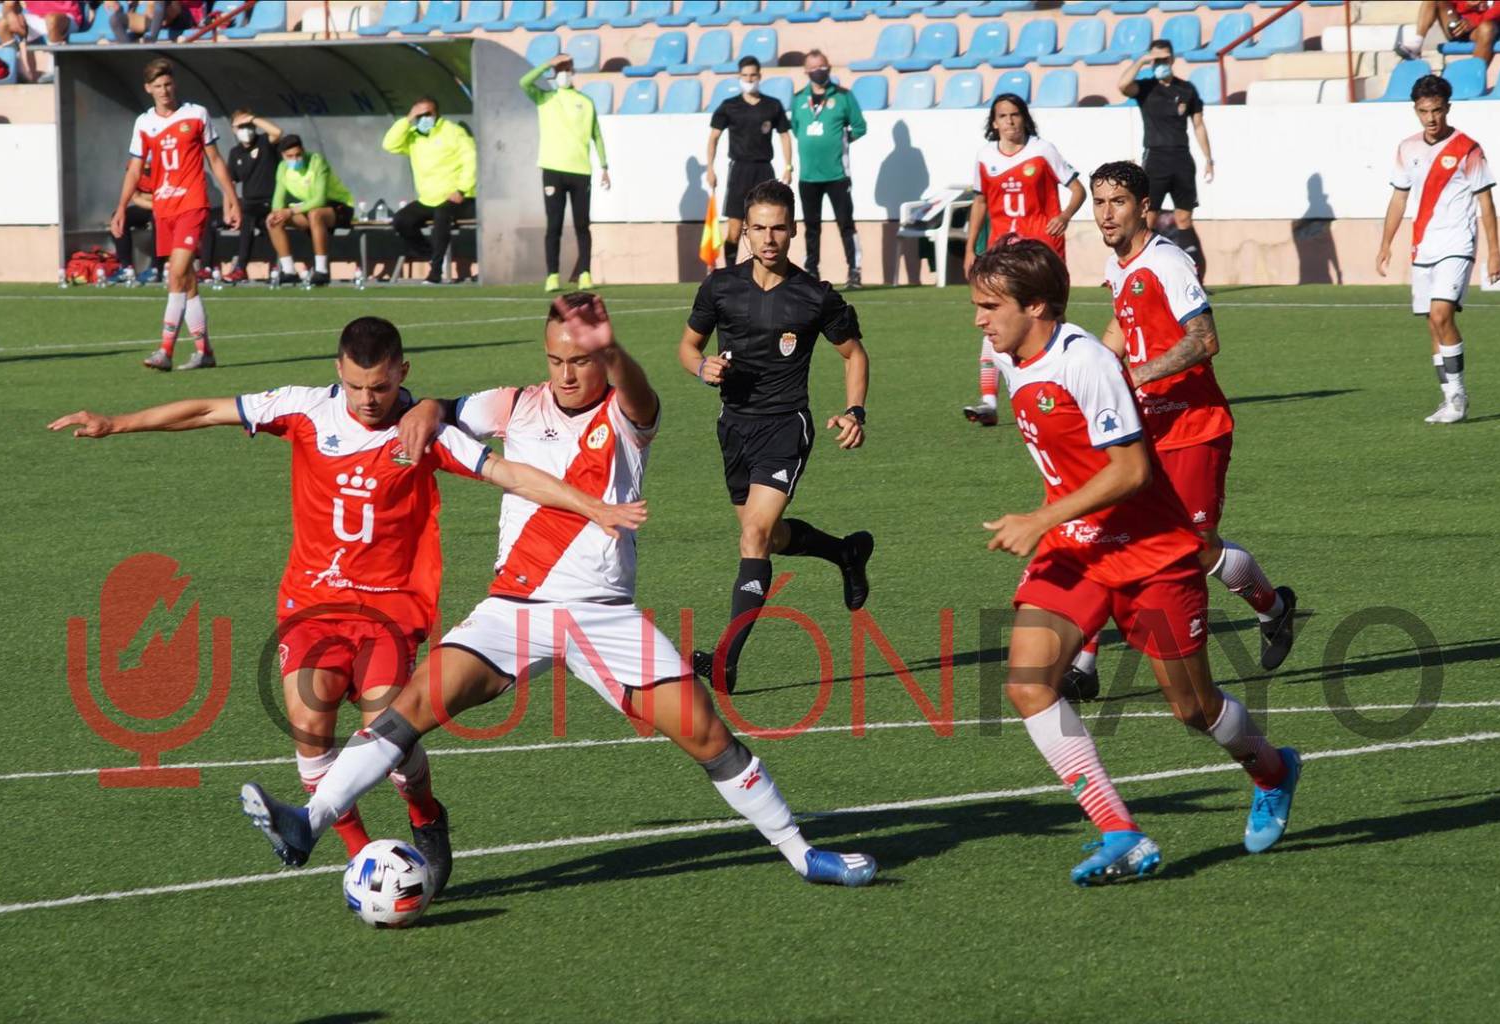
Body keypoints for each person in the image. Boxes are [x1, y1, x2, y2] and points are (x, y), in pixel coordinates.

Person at [239, 295, 879, 893]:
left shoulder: (627, 415)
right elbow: (435, 408)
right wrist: (430, 407)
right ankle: (311, 820)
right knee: (405, 712)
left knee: (708, 735)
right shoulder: (515, 404)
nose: (568, 374)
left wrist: (614, 350)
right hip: (512, 610)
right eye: (557, 360)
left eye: (581, 360)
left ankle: (803, 854)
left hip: (603, 617)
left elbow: (640, 390)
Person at [50, 315, 646, 894]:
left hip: (390, 608)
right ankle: (363, 859)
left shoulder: (422, 432)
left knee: (387, 733)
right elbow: (207, 409)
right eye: (358, 385)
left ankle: (425, 815)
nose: (368, 399)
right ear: (339, 370)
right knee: (310, 723)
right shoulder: (304, 407)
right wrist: (116, 423)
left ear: (402, 372)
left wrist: (590, 506)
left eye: (382, 386)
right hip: (312, 603)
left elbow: (510, 474)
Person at [969, 237, 1301, 885]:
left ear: (1036, 306)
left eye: (990, 305)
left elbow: (1132, 469)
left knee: (1194, 712)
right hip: (1079, 549)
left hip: (1152, 554)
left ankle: (1274, 769)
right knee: (1028, 682)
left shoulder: (1085, 363)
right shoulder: (1011, 355)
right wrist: (1058, 521)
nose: (979, 319)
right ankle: (1121, 833)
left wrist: (1041, 517)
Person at [1065, 160, 1297, 702]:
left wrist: (1136, 374)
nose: (1105, 213)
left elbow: (1204, 338)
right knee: (1105, 531)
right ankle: (1084, 663)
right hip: (1146, 429)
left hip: (1195, 428)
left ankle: (1274, 609)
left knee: (1195, 548)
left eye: (1117, 201)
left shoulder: (1167, 261)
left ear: (1144, 206)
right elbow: (1124, 323)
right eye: (1099, 202)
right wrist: (1095, 371)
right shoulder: (1118, 263)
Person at [678, 180, 872, 695]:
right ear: (745, 232)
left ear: (793, 231)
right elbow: (687, 347)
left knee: (754, 537)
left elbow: (854, 355)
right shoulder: (720, 288)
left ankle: (726, 660)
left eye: (778, 228)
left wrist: (856, 411)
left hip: (787, 425)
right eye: (759, 228)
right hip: (734, 428)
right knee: (769, 538)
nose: (768, 238)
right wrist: (703, 369)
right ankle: (845, 553)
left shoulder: (815, 296)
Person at [1376, 74, 1500, 425]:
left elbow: (1486, 203)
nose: (1431, 118)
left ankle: (1459, 396)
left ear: (1448, 108)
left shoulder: (1468, 148)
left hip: (1458, 243)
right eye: (1423, 111)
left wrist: (1494, 251)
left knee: (1441, 316)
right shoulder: (1407, 148)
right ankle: (1449, 400)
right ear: (1415, 111)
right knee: (1433, 325)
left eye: (1436, 110)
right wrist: (1385, 243)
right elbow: (1399, 198)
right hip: (1424, 246)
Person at [961, 92, 1085, 428]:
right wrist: (971, 247)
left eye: (1015, 115)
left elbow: (1078, 189)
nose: (1010, 121)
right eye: (1003, 116)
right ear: (994, 122)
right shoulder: (985, 157)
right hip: (1002, 254)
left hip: (1041, 254)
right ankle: (988, 401)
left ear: (1024, 118)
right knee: (994, 320)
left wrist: (1065, 216)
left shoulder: (1043, 150)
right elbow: (981, 203)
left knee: (1049, 321)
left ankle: (1065, 388)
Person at [110, 58, 240, 372]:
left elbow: (215, 159)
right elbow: (134, 170)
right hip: (163, 207)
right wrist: (121, 207)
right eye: (158, 86)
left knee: (176, 272)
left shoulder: (196, 114)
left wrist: (231, 197)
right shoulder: (143, 123)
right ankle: (204, 351)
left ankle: (165, 350)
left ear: (174, 85)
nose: (165, 90)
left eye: (168, 84)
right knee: (188, 281)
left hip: (193, 203)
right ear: (148, 89)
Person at [1118, 39, 1213, 280]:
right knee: (1148, 218)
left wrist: (1209, 158)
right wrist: (1141, 61)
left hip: (1182, 158)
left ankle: (1195, 277)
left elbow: (1199, 125)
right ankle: (1139, 273)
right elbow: (1122, 85)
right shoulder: (1145, 88)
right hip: (1155, 158)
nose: (1161, 63)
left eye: (1165, 59)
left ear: (1172, 59)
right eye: (1156, 59)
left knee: (1184, 218)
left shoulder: (1187, 89)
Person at [519, 52, 609, 293]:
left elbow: (597, 135)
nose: (563, 75)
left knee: (582, 224)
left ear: (573, 74)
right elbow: (524, 82)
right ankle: (552, 275)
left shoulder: (585, 102)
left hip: (580, 171)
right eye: (559, 71)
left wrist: (604, 166)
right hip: (552, 170)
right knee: (554, 225)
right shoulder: (545, 98)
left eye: (567, 70)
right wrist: (547, 63)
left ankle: (585, 273)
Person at [705, 55, 793, 267]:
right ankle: (730, 272)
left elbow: (784, 136)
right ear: (739, 77)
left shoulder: (773, 105)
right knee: (735, 230)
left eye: (753, 75)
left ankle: (766, 270)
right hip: (740, 170)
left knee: (767, 226)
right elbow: (713, 138)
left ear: (760, 76)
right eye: (745, 75)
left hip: (764, 170)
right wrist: (710, 168)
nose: (749, 79)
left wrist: (788, 166)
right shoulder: (729, 106)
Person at [790, 49, 866, 288]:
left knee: (845, 223)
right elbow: (796, 128)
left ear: (829, 67)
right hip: (808, 175)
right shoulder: (799, 98)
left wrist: (841, 141)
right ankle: (811, 271)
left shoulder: (843, 96)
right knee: (811, 227)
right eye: (813, 69)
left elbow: (860, 127)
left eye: (822, 67)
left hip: (837, 174)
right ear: (806, 72)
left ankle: (854, 270)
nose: (818, 72)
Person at [383, 96, 477, 285]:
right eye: (419, 114)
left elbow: (471, 160)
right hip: (428, 199)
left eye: (427, 114)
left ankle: (435, 273)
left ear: (436, 114)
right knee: (402, 220)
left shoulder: (453, 132)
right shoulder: (413, 135)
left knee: (442, 215)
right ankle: (431, 256)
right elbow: (389, 145)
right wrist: (408, 119)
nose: (423, 118)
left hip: (458, 197)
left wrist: (462, 189)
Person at [266, 134, 356, 288]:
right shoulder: (282, 168)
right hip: (307, 208)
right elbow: (278, 201)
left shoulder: (317, 161)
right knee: (272, 219)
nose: (295, 159)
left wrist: (291, 211)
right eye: (290, 156)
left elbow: (319, 199)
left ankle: (321, 271)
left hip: (338, 206)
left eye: (298, 154)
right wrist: (277, 213)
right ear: (283, 156)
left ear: (303, 150)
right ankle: (289, 271)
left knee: (316, 213)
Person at [224, 110, 283, 284]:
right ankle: (241, 268)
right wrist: (229, 210)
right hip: (250, 204)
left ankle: (276, 268)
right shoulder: (235, 153)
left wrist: (254, 119)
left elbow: (277, 133)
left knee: (267, 222)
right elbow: (230, 183)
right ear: (233, 129)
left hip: (271, 201)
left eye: (248, 126)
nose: (246, 130)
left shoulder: (264, 142)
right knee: (246, 217)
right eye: (241, 126)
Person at [107, 151, 165, 284]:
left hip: (166, 207)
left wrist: (151, 200)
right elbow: (136, 197)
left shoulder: (164, 166)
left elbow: (165, 196)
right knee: (119, 217)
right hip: (151, 206)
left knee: (159, 218)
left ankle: (156, 269)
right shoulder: (133, 166)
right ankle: (126, 268)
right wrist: (153, 202)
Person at [1397, 1, 1500, 66]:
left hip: (1483, 28)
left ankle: (1475, 74)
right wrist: (1467, 4)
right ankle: (1417, 43)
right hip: (1458, 23)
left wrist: (1473, 22)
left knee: (1487, 28)